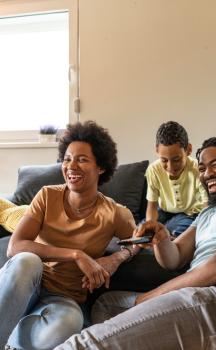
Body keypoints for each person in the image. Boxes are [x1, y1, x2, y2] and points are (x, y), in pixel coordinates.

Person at [56, 136, 216, 350]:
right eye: (202, 168)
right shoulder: (208, 212)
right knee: (106, 304)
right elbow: (174, 258)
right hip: (195, 296)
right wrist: (162, 237)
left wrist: (152, 296)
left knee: (85, 344)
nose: (206, 174)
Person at [0, 121, 139, 350]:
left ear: (101, 167)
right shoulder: (47, 196)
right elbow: (15, 247)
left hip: (64, 300)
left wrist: (116, 258)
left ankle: (12, 337)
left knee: (71, 324)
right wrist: (76, 255)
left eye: (82, 159)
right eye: (67, 159)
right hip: (27, 284)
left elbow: (136, 243)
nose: (71, 166)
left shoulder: (115, 213)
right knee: (26, 260)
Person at [145, 121, 207, 236]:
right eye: (164, 160)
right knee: (143, 230)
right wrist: (150, 225)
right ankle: (129, 251)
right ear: (157, 150)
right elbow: (152, 206)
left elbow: (207, 204)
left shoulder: (198, 169)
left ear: (188, 149)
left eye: (176, 160)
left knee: (169, 231)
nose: (170, 167)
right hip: (164, 212)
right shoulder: (153, 170)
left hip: (190, 213)